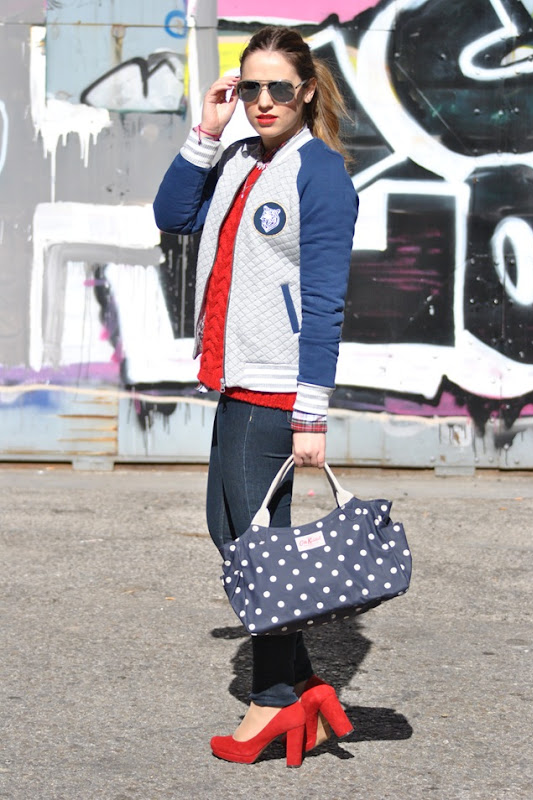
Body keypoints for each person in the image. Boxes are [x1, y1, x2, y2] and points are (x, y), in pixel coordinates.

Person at [153, 25, 359, 767]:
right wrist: (206, 131)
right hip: (236, 377)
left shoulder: (320, 174)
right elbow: (173, 215)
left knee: (256, 549)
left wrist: (311, 412)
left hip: (276, 386)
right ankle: (305, 686)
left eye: (278, 87)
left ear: (306, 91)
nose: (263, 101)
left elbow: (325, 302)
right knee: (232, 530)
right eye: (250, 87)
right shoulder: (240, 156)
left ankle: (273, 702)